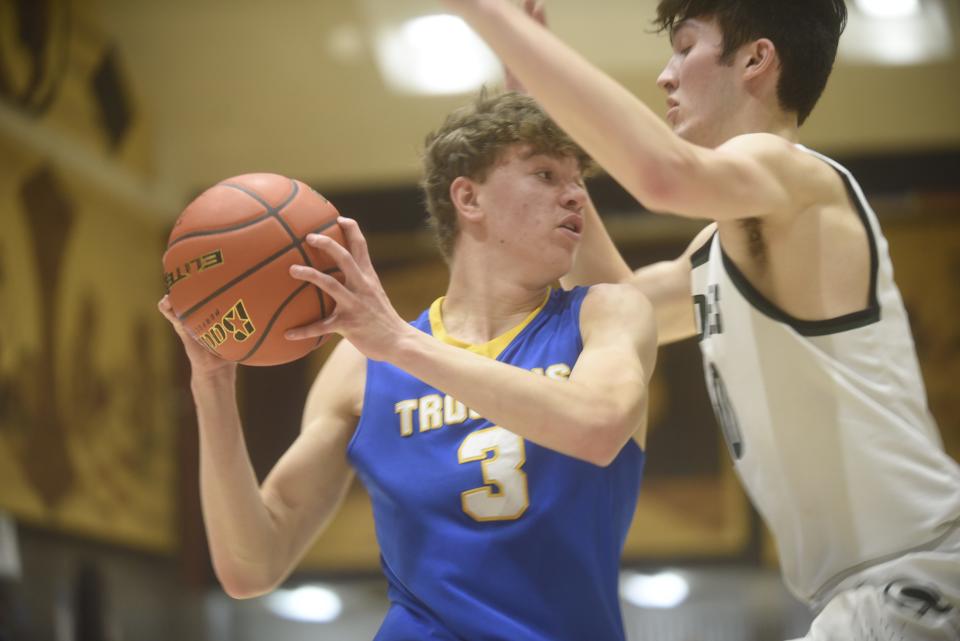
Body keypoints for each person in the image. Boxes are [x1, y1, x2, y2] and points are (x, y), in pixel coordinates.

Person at [442, 1, 960, 639]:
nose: (666, 75)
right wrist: (530, 79)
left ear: (755, 60)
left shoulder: (795, 177)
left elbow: (662, 176)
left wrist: (486, 13)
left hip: (919, 571)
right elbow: (616, 303)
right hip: (872, 584)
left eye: (685, 48)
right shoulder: (730, 240)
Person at [159, 91, 657, 641]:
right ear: (468, 198)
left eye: (577, 180)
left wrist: (399, 343)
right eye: (545, 175)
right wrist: (212, 384)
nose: (575, 197)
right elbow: (251, 566)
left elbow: (599, 425)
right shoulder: (361, 366)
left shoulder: (605, 313)